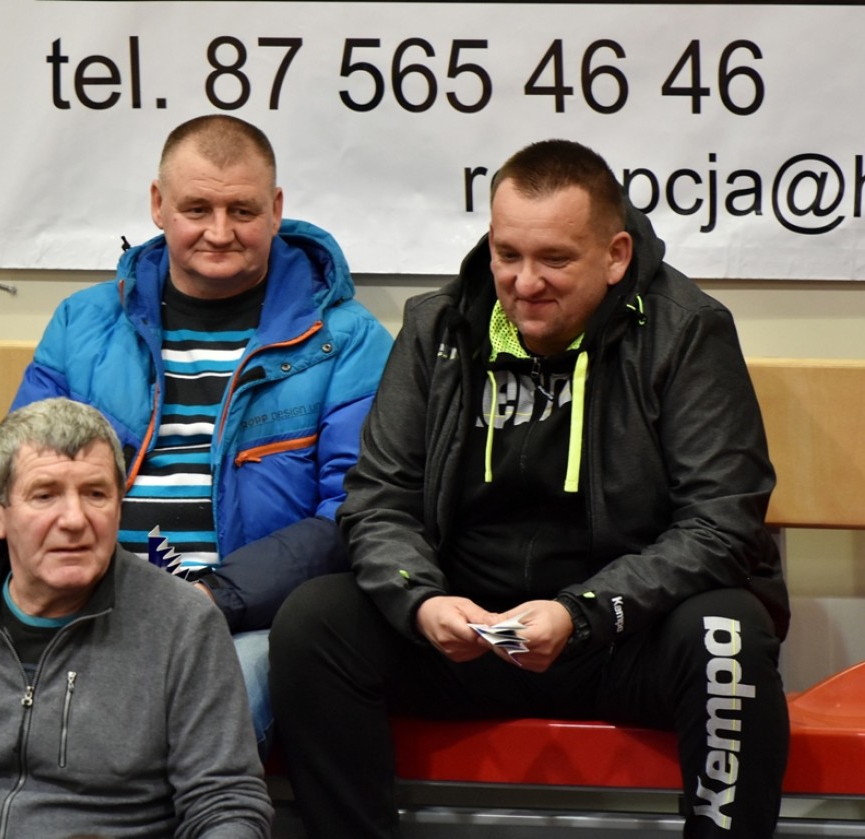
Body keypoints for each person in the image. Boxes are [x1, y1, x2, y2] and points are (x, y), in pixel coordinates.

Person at [269, 139, 790, 838]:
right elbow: (378, 499)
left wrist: (583, 613)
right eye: (507, 254)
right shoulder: (438, 326)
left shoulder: (686, 331)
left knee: (727, 634)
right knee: (314, 622)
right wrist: (421, 601)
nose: (524, 282)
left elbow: (721, 523)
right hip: (468, 635)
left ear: (616, 256)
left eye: (555, 260)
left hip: (619, 636)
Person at [0, 114, 393, 758]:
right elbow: (17, 482)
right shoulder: (81, 325)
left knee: (172, 726)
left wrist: (212, 597)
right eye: (197, 209)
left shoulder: (346, 340)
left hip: (249, 622)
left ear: (276, 209)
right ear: (158, 205)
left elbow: (355, 514)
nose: (220, 232)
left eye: (243, 211)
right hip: (85, 602)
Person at [0, 398, 273, 838]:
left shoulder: (183, 624)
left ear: (119, 506)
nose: (75, 519)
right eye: (45, 495)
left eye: (96, 494)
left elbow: (225, 806)